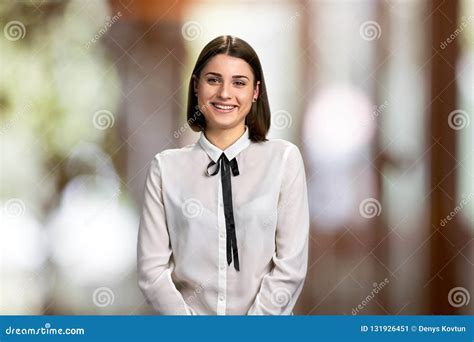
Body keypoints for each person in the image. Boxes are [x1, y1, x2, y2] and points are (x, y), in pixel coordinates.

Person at [137, 35, 309, 315]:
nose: (225, 93)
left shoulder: (284, 160)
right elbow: (151, 271)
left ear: (255, 91)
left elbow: (290, 266)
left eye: (239, 82)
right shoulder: (165, 168)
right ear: (196, 86)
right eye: (213, 80)